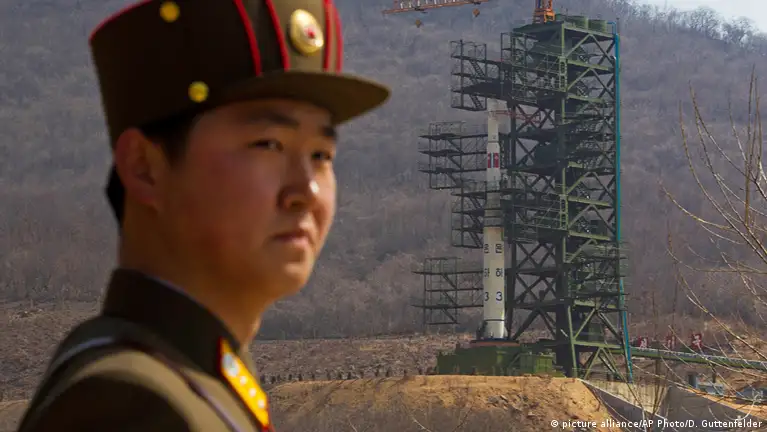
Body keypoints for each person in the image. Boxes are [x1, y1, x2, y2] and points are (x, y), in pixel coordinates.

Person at [16, 0, 389, 430]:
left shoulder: (194, 383)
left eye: (321, 155)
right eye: (268, 144)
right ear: (144, 167)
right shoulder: (130, 404)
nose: (306, 192)